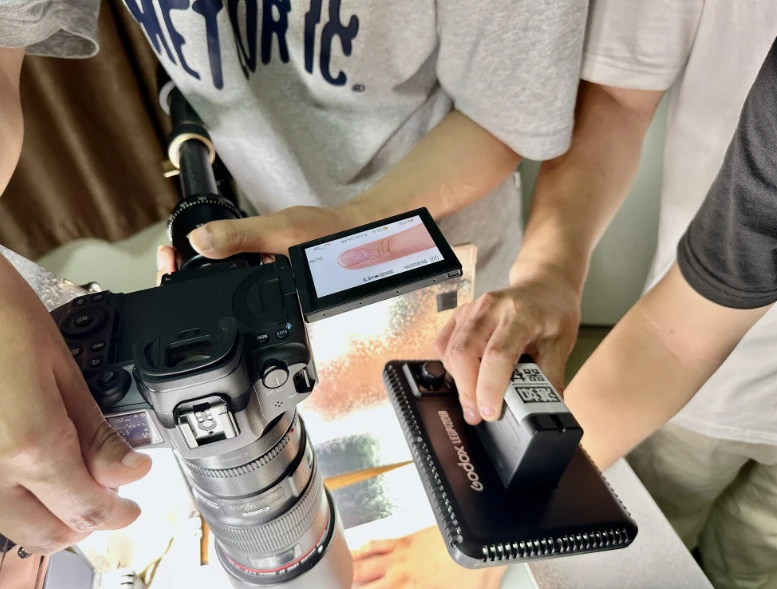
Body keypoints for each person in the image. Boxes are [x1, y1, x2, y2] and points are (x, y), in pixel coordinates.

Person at [0, 0, 588, 558]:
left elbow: (505, 115)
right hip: (280, 245)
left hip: (429, 274)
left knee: (456, 470)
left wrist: (354, 224)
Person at [353, 2, 777, 589]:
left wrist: (493, 530)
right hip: (686, 393)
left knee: (755, 563)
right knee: (667, 526)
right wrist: (549, 273)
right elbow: (683, 327)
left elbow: (685, 328)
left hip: (677, 363)